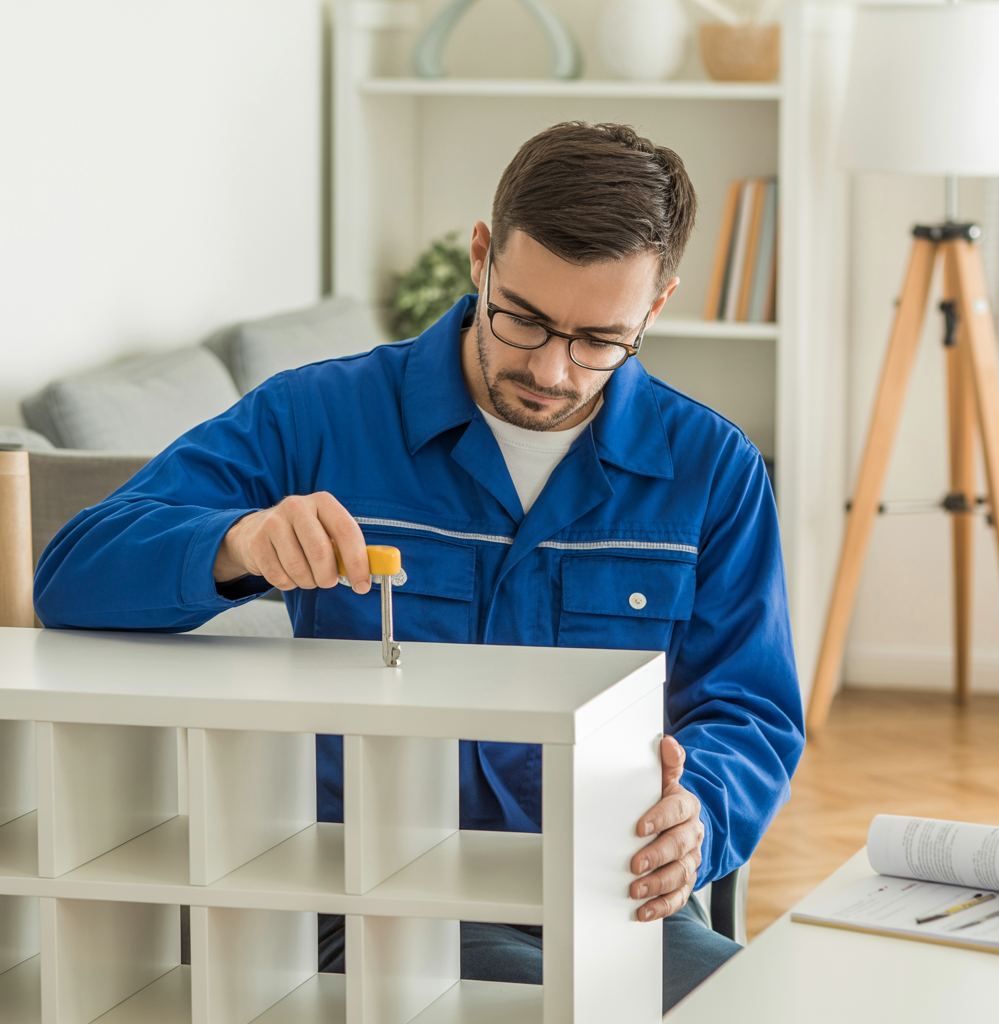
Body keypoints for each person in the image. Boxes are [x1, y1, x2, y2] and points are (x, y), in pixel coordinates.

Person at [34, 121, 804, 1011]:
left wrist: (700, 813)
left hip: (604, 891)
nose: (552, 370)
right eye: (523, 318)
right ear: (482, 256)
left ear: (656, 307)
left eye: (599, 339)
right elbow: (73, 571)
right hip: (364, 891)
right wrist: (238, 545)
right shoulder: (318, 415)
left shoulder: (714, 469)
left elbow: (749, 707)